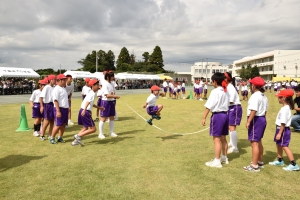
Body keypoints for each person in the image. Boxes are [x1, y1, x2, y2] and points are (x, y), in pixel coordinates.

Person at [202, 72, 229, 168]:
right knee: (223, 138)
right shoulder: (225, 91)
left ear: (215, 81)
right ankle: (224, 157)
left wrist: (204, 117)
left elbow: (209, 105)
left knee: (216, 139)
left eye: (212, 81)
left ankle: (217, 161)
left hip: (217, 115)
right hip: (225, 115)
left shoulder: (215, 91)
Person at [269, 89, 300, 171]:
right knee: (278, 144)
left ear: (284, 98)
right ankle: (280, 159)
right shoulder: (285, 108)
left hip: (283, 129)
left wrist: (279, 133)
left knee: (284, 146)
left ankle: (293, 164)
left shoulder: (285, 109)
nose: (278, 99)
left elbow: (283, 123)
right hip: (279, 129)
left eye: (279, 97)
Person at [243, 76, 267, 172]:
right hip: (262, 118)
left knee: (254, 143)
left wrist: (249, 121)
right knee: (258, 141)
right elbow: (265, 111)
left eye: (251, 84)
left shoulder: (255, 96)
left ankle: (254, 165)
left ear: (254, 85)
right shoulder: (263, 96)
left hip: (255, 119)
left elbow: (254, 110)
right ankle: (259, 161)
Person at [72, 79, 104, 146]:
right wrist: (85, 110)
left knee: (85, 128)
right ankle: (78, 136)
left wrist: (99, 108)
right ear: (93, 86)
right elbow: (88, 102)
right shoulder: (92, 93)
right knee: (93, 129)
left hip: (82, 110)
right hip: (85, 111)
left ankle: (75, 141)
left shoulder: (91, 93)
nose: (98, 86)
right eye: (97, 85)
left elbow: (91, 103)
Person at [224, 72, 243, 154]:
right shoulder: (228, 87)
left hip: (234, 107)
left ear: (227, 79)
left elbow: (231, 101)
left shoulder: (230, 88)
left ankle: (235, 147)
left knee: (232, 127)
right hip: (231, 108)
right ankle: (232, 143)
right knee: (229, 127)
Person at [98, 72, 120, 139]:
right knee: (103, 118)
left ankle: (111, 132)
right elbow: (107, 95)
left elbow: (112, 92)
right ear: (108, 77)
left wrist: (114, 96)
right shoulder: (105, 84)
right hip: (106, 102)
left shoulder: (111, 83)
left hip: (112, 102)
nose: (113, 78)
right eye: (112, 76)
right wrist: (115, 96)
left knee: (112, 117)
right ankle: (100, 133)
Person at [49, 74, 69, 144]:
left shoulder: (63, 88)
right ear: (60, 80)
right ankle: (52, 137)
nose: (65, 81)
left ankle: (60, 137)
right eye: (64, 80)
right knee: (58, 124)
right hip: (59, 108)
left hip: (65, 109)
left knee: (63, 124)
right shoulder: (56, 89)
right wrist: (58, 111)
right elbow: (55, 100)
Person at [39, 75, 56, 141]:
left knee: (52, 121)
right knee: (47, 121)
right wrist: (41, 106)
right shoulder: (46, 87)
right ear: (51, 80)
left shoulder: (54, 87)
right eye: (54, 79)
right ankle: (42, 135)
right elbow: (41, 97)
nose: (55, 81)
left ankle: (50, 134)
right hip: (47, 105)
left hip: (53, 104)